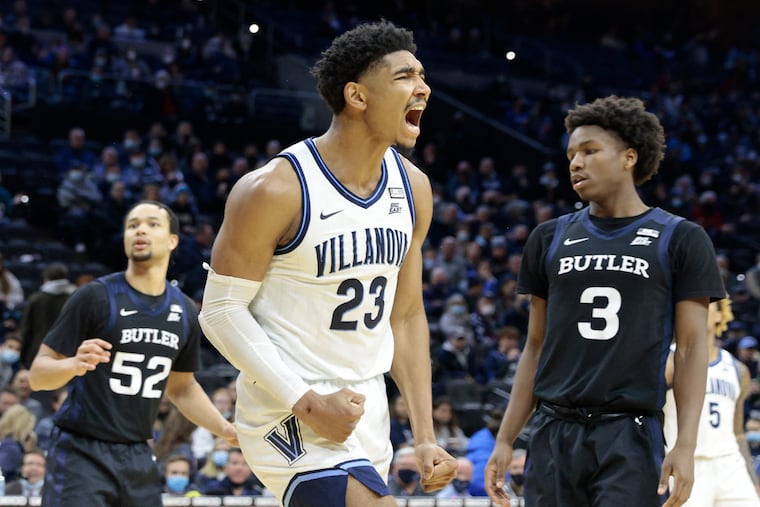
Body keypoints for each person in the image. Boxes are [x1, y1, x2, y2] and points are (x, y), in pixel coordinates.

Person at [197, 20, 456, 507]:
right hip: (286, 406)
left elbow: (405, 315)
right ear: (357, 96)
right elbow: (219, 312)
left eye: (422, 75)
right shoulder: (275, 188)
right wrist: (307, 401)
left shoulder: (414, 188)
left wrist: (423, 434)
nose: (423, 87)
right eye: (405, 76)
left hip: (367, 409)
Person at [484, 95, 726, 507]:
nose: (576, 163)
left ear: (629, 157)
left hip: (628, 433)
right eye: (571, 154)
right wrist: (506, 439)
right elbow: (535, 346)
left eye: (590, 151)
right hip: (553, 430)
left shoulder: (681, 238)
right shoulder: (548, 237)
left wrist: (685, 445)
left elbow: (689, 348)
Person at [28, 200, 237, 507]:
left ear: (172, 241)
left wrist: (223, 427)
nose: (140, 229)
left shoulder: (183, 311)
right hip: (82, 451)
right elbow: (37, 376)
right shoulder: (95, 296)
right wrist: (74, 364)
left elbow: (182, 387)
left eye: (152, 223)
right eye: (132, 224)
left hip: (138, 453)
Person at [663, 297, 760, 506]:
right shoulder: (668, 360)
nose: (696, 311)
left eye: (705, 306)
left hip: (729, 465)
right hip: (688, 465)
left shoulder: (737, 369)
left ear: (720, 314)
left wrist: (753, 479)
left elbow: (738, 433)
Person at [19, 262, 77, 369]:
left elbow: (26, 329)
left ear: (46, 278)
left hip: (36, 348)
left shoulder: (36, 299)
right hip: (64, 350)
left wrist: (23, 356)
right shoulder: (74, 298)